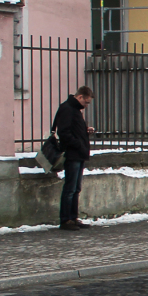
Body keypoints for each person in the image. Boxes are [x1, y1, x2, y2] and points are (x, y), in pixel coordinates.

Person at [52, 86, 95, 231]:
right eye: (86, 102)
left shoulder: (74, 109)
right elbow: (64, 133)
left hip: (78, 153)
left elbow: (72, 129)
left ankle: (73, 217)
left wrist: (84, 131)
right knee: (70, 188)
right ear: (80, 97)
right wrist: (79, 144)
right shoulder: (68, 109)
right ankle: (66, 220)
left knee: (76, 188)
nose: (86, 105)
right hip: (73, 153)